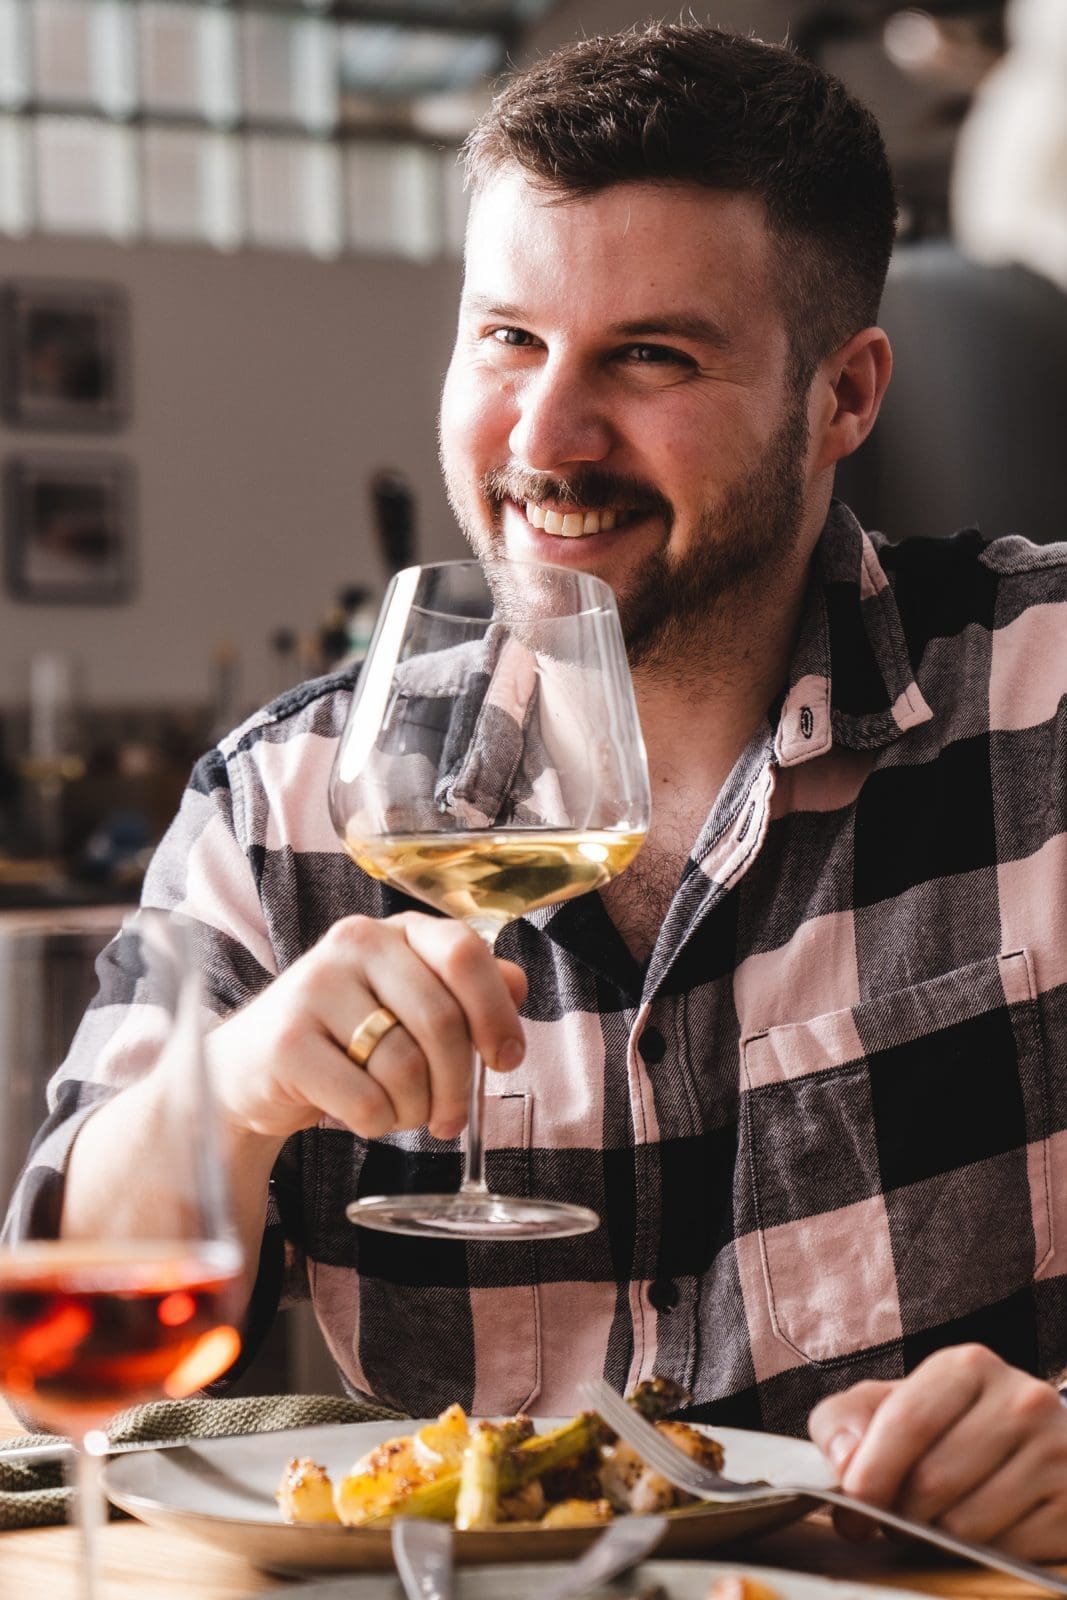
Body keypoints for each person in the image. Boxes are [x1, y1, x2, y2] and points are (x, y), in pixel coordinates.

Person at [7, 21, 1067, 1560]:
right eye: (508, 338)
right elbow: (55, 1376)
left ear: (844, 398)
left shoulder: (1045, 697)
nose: (548, 440)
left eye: (650, 356)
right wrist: (231, 1094)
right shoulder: (291, 800)